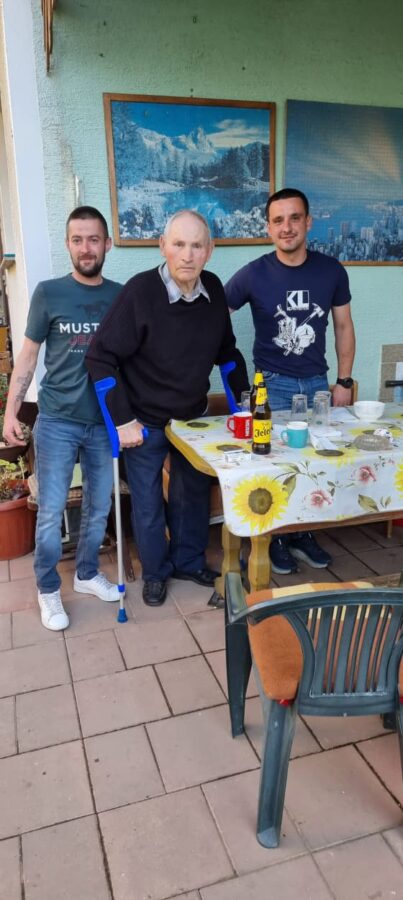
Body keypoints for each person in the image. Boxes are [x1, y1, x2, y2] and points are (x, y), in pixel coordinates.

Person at [86, 209, 249, 607]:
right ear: (163, 246)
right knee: (147, 504)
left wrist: (242, 407)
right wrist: (122, 420)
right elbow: (100, 357)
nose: (187, 255)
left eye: (196, 246)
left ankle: (188, 562)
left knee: (192, 495)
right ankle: (156, 573)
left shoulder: (213, 291)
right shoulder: (140, 292)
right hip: (144, 418)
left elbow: (227, 354)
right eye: (178, 244)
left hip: (192, 418)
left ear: (209, 251)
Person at [3, 206, 123, 630]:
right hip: (57, 420)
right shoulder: (49, 293)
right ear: (68, 245)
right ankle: (48, 588)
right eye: (77, 240)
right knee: (51, 510)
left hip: (103, 422)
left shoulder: (121, 296)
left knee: (99, 505)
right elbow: (28, 355)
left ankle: (87, 573)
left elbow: (132, 360)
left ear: (107, 244)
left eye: (94, 239)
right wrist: (11, 411)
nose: (86, 248)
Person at [225, 188, 355, 575]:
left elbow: (343, 326)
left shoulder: (331, 271)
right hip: (272, 385)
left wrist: (344, 380)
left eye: (294, 218)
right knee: (274, 463)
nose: (287, 227)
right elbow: (214, 312)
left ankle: (302, 533)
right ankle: (276, 538)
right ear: (268, 228)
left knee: (314, 462)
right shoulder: (253, 273)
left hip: (317, 384)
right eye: (278, 220)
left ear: (308, 222)